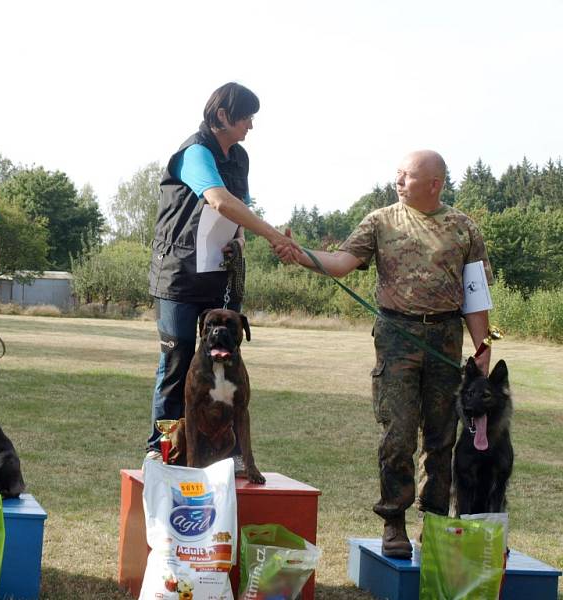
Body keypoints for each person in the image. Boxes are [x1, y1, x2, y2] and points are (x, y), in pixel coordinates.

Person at [287, 149, 493, 558]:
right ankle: (394, 523)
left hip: (446, 339)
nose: (397, 181)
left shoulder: (463, 227)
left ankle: (433, 523)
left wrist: (483, 347)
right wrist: (302, 256)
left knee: (441, 438)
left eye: (407, 175)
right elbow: (343, 262)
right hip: (397, 337)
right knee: (397, 434)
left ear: (434, 183)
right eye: (397, 173)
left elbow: (475, 293)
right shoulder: (380, 220)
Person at [146, 82, 302, 467]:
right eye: (246, 117)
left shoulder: (240, 157)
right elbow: (219, 199)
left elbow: (238, 212)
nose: (251, 125)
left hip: (220, 274)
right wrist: (271, 236)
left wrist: (242, 242)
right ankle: (160, 448)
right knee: (179, 359)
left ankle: (227, 454)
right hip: (179, 274)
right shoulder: (194, 152)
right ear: (222, 116)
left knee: (228, 355)